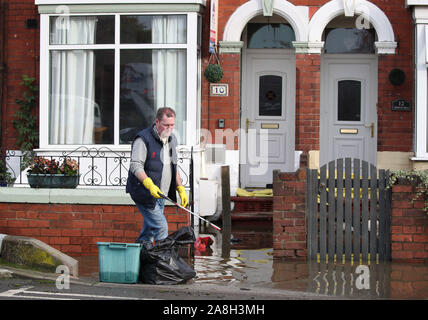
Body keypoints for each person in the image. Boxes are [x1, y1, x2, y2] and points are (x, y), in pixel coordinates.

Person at [126, 107, 188, 243]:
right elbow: (135, 165)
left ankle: (140, 260)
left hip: (162, 194)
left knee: (148, 232)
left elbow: (174, 166)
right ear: (157, 121)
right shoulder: (143, 139)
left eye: (172, 125)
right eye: (166, 125)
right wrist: (149, 185)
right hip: (145, 193)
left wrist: (180, 188)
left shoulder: (172, 140)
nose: (169, 128)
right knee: (161, 227)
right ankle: (162, 260)